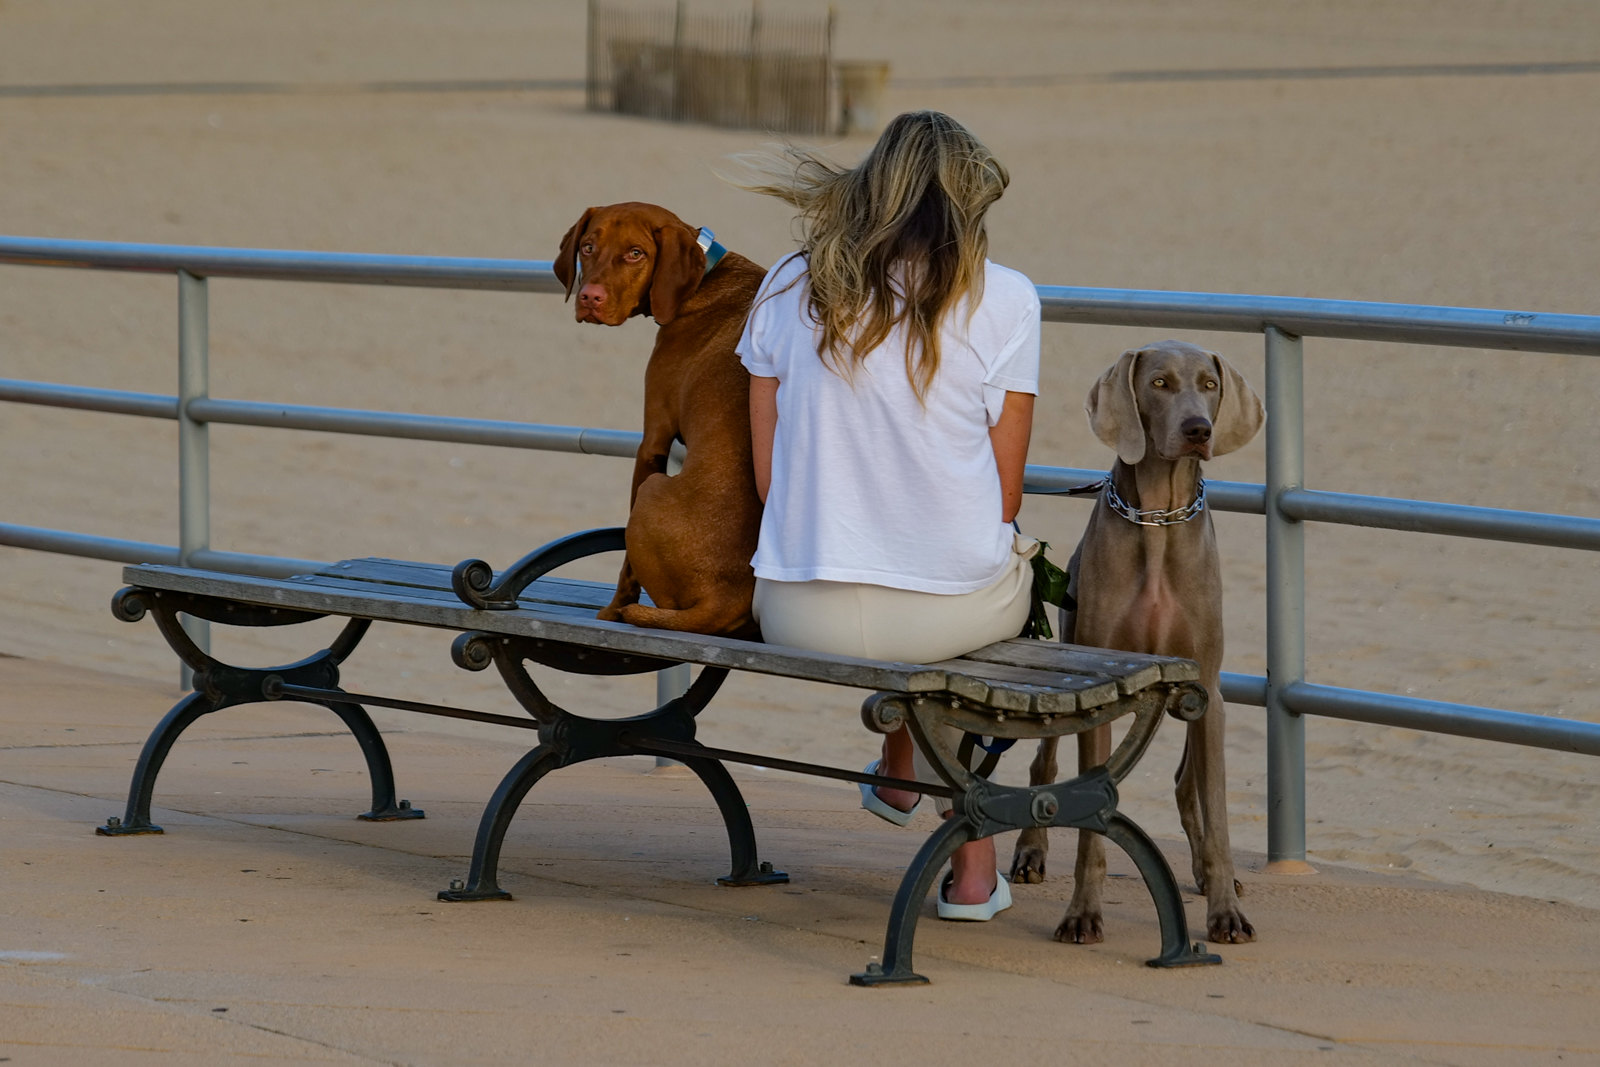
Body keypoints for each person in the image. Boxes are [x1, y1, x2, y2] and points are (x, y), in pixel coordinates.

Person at [734, 110, 1042, 921]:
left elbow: (770, 480)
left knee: (926, 608)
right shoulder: (1006, 297)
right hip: (942, 613)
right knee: (997, 595)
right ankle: (970, 869)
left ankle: (901, 765)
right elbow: (1002, 498)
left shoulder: (785, 284)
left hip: (800, 610)